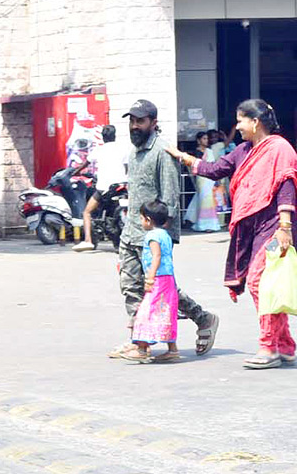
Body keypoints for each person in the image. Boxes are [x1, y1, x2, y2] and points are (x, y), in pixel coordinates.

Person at [166, 100, 297, 369]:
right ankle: (285, 346)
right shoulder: (243, 150)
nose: (237, 127)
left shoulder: (279, 149)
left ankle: (268, 347)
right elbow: (215, 171)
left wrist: (285, 227)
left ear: (255, 122)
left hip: (273, 224)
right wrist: (183, 156)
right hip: (250, 227)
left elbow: (286, 183)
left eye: (240, 121)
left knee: (260, 283)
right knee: (267, 285)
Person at [108, 100, 218, 361]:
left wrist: (160, 237)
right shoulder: (135, 150)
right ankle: (138, 339)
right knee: (130, 286)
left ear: (153, 123)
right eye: (132, 121)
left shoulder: (163, 151)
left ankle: (203, 318)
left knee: (161, 289)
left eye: (140, 121)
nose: (135, 126)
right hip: (131, 231)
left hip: (152, 235)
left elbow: (169, 198)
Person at [124, 201, 180, 362]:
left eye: (141, 218)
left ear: (148, 219)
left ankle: (142, 349)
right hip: (168, 278)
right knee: (166, 311)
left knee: (146, 311)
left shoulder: (153, 236)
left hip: (158, 279)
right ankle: (172, 349)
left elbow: (157, 256)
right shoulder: (165, 234)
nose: (141, 222)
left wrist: (149, 277)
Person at [74, 124, 128, 252]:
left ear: (103, 137)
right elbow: (128, 167)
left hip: (105, 188)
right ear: (114, 136)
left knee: (86, 212)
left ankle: (88, 241)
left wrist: (76, 172)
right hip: (122, 185)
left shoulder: (98, 150)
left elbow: (85, 164)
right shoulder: (123, 149)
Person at [183, 131, 221, 232]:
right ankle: (203, 224)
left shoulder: (209, 151)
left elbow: (213, 164)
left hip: (210, 178)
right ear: (198, 140)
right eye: (204, 139)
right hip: (201, 178)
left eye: (207, 139)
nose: (206, 141)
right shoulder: (196, 152)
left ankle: (210, 224)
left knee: (210, 201)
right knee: (204, 201)